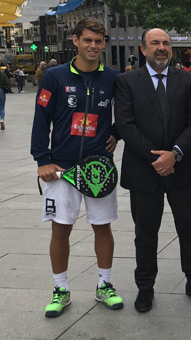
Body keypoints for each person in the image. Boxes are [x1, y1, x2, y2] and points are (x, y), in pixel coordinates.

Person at [30, 17, 122, 318]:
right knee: (60, 230)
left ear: (104, 43)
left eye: (99, 41)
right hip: (61, 168)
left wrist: (116, 134)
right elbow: (41, 119)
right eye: (88, 40)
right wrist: (42, 159)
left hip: (98, 168)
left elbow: (126, 114)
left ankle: (104, 285)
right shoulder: (54, 77)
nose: (94, 46)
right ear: (76, 41)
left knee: (102, 227)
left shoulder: (112, 78)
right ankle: (60, 289)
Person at [115, 28, 191, 312]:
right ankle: (145, 288)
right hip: (144, 171)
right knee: (145, 233)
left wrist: (175, 154)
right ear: (144, 49)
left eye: (166, 43)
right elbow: (125, 125)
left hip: (183, 168)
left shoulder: (188, 79)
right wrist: (156, 158)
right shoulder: (127, 81)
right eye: (155, 43)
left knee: (189, 228)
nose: (162, 48)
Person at [0, 66, 9, 130]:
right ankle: (2, 119)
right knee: (2, 107)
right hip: (1, 91)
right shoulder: (2, 73)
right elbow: (6, 81)